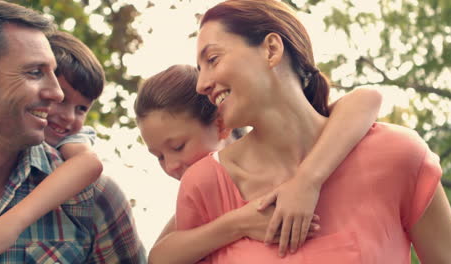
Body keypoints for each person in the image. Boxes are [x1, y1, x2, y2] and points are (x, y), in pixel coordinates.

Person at [176, 0, 451, 263]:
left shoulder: (398, 154)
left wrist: (308, 180)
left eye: (212, 59)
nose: (201, 84)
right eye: (199, 69)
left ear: (271, 50)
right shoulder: (205, 185)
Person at [134, 64, 383, 263]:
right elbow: (159, 256)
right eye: (159, 157)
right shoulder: (202, 195)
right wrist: (240, 222)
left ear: (220, 125)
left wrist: (307, 180)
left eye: (177, 147)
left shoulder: (282, 152)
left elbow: (366, 99)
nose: (170, 166)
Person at [0, 2, 146, 262]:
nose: (57, 94)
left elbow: (89, 164)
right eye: (34, 72)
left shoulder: (93, 198)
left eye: (81, 108)